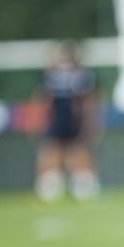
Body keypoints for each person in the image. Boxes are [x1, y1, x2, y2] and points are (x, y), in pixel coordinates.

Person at [35, 42, 100, 202]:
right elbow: (44, 99)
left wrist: (89, 122)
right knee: (53, 151)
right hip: (58, 119)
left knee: (78, 151)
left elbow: (87, 101)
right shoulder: (51, 75)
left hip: (74, 119)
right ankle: (51, 187)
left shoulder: (81, 75)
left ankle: (83, 186)